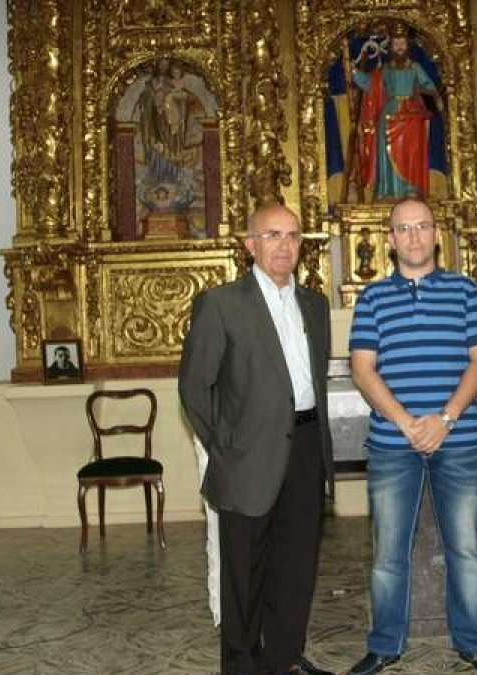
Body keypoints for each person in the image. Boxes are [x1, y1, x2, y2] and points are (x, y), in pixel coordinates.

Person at [346, 198, 477, 675]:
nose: (413, 236)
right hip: (394, 445)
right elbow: (362, 368)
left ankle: (474, 642)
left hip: (456, 441)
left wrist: (445, 419)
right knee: (388, 553)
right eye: (403, 229)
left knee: (465, 548)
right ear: (390, 240)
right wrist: (406, 422)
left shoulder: (466, 291)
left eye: (422, 227)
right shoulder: (373, 298)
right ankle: (385, 645)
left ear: (437, 235)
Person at [178, 203, 335, 675]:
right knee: (244, 574)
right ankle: (242, 666)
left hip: (306, 448)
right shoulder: (221, 304)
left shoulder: (315, 304)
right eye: (272, 235)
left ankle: (281, 659)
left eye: (292, 235)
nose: (284, 245)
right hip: (247, 456)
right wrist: (224, 446)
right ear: (250, 245)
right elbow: (193, 386)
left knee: (295, 568)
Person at [351, 25, 442, 201]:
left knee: (411, 153)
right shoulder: (386, 70)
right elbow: (370, 84)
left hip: (412, 117)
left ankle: (410, 189)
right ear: (391, 47)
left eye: (402, 43)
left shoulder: (415, 68)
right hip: (389, 115)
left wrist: (433, 99)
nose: (400, 47)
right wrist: (354, 72)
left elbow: (430, 88)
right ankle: (387, 190)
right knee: (386, 153)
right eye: (396, 43)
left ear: (407, 46)